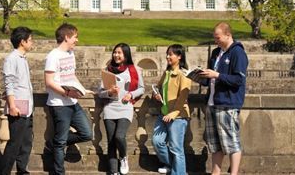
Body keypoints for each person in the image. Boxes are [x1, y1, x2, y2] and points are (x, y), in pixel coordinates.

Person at [198, 22, 248, 175]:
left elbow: (238, 80)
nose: (216, 41)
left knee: (231, 142)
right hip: (212, 102)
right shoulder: (215, 53)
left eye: (218, 37)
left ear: (228, 35)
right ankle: (216, 173)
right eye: (214, 38)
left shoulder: (238, 53)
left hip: (228, 103)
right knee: (215, 144)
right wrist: (199, 76)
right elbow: (209, 80)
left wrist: (217, 75)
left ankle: (233, 173)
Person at [44, 23, 92, 175]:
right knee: (61, 143)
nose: (77, 40)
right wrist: (67, 93)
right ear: (66, 37)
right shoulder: (53, 56)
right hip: (59, 105)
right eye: (75, 37)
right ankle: (59, 172)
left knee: (87, 134)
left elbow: (71, 76)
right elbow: (49, 82)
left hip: (73, 103)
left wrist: (83, 89)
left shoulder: (71, 54)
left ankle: (53, 142)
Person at [98, 43, 145, 175]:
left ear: (126, 54)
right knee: (111, 141)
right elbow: (100, 92)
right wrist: (109, 92)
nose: (116, 55)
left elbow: (141, 88)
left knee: (119, 136)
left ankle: (123, 157)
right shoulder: (107, 70)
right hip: (110, 108)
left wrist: (131, 94)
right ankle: (113, 172)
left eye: (119, 53)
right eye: (115, 52)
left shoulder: (133, 70)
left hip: (125, 108)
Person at [152, 44, 192, 175]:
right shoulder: (167, 73)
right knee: (157, 142)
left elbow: (183, 97)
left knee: (176, 149)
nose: (168, 56)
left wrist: (173, 114)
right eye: (167, 54)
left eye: (171, 54)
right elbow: (158, 88)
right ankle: (172, 165)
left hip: (178, 116)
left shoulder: (184, 74)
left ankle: (178, 172)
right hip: (163, 114)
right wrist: (156, 94)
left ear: (179, 56)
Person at [0, 26, 35, 175]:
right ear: (22, 41)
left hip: (27, 107)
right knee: (14, 144)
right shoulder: (12, 59)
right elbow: (9, 83)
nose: (32, 42)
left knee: (26, 143)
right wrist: (12, 106)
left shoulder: (22, 59)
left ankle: (22, 170)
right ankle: (5, 172)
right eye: (30, 40)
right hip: (18, 108)